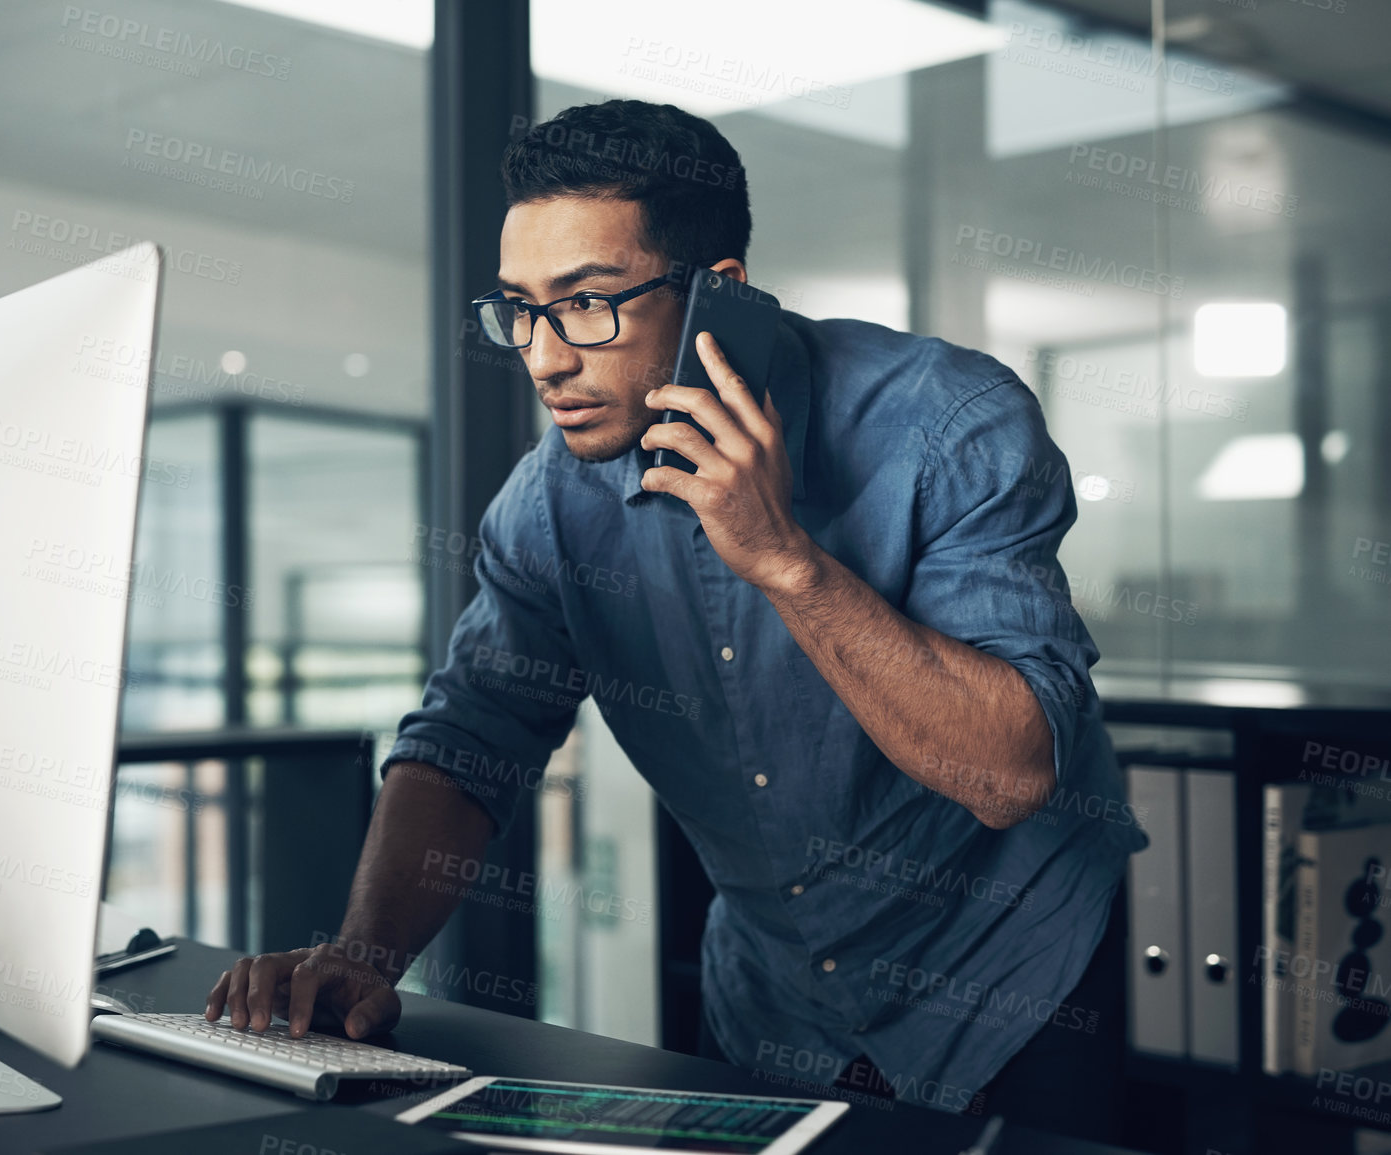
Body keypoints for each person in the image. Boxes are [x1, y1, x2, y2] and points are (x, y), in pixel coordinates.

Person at [205, 99, 1147, 1143]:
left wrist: (786, 559)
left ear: (718, 296)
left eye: (589, 303)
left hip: (1010, 984)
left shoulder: (950, 424)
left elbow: (1010, 776)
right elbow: (471, 739)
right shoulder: (548, 505)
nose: (545, 357)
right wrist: (364, 955)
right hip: (773, 1000)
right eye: (519, 307)